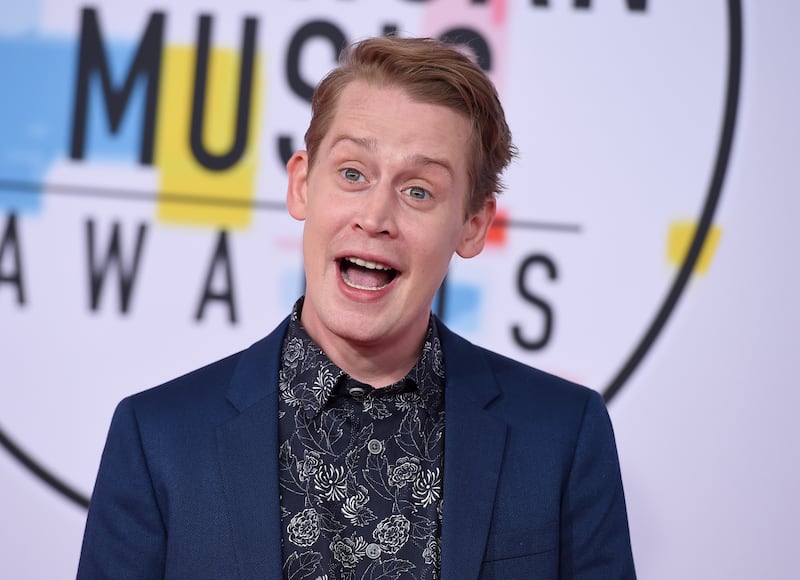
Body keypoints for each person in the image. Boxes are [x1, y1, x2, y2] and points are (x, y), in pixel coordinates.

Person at [77, 36, 636, 579]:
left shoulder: (562, 436)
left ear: (472, 225)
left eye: (419, 190)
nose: (375, 216)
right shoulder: (157, 440)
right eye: (352, 174)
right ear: (301, 184)